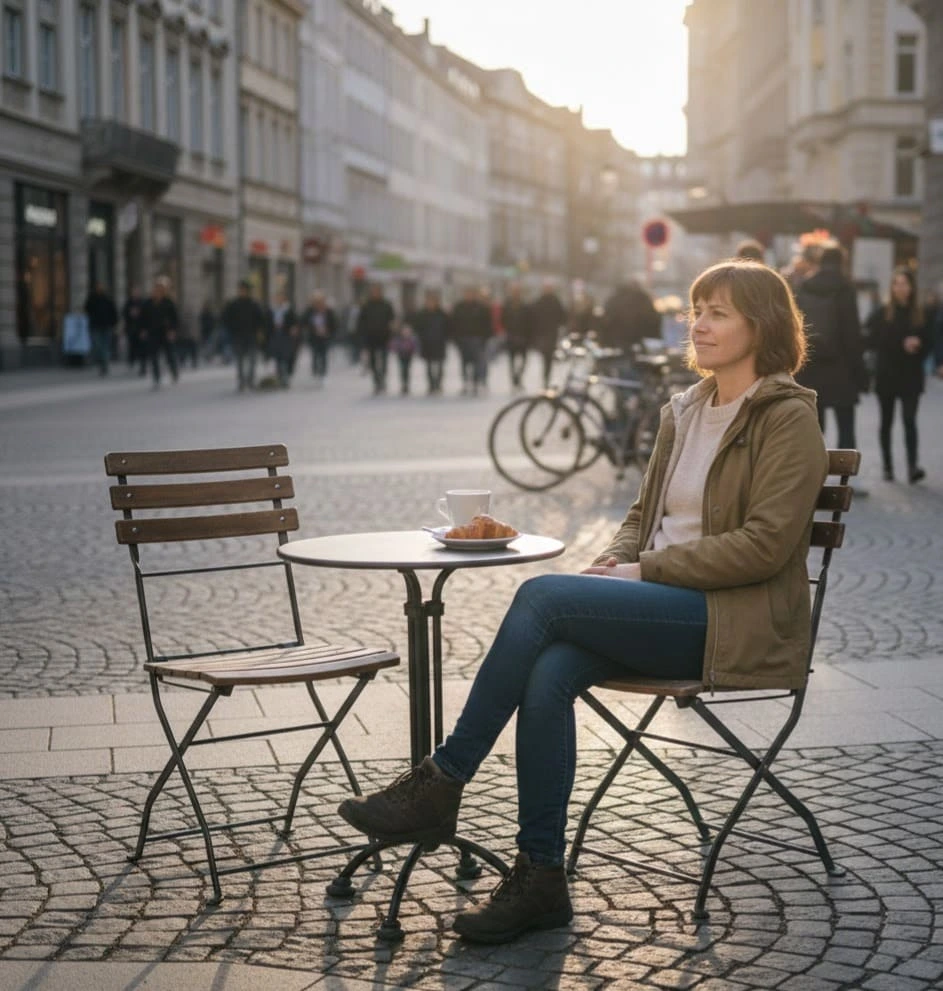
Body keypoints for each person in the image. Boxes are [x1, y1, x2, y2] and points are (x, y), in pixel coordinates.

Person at [337, 260, 826, 945]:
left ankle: (441, 780)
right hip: (658, 603)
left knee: (542, 598)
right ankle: (540, 876)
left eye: (718, 312)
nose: (699, 324)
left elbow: (764, 547)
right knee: (549, 672)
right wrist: (615, 561)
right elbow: (642, 515)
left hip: (727, 622)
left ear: (762, 325)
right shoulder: (686, 411)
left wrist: (642, 569)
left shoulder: (787, 420)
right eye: (696, 309)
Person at [794, 242, 870, 453]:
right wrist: (860, 374)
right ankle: (846, 470)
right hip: (842, 369)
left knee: (815, 431)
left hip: (810, 368)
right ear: (842, 262)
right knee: (846, 428)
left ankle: (814, 470)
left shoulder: (803, 286)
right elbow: (852, 333)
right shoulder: (846, 288)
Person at [866, 267, 933, 483]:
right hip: (887, 374)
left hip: (911, 375)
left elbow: (930, 341)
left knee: (909, 420)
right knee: (886, 421)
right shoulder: (882, 313)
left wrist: (919, 344)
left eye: (905, 283)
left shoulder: (921, 314)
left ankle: (912, 467)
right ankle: (887, 467)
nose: (900, 288)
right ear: (892, 287)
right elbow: (871, 338)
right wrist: (901, 343)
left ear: (912, 287)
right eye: (897, 283)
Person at [222, 279, 266, 392]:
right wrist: (232, 330)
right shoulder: (234, 305)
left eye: (244, 290)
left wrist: (259, 331)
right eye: (241, 290)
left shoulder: (253, 304)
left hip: (251, 336)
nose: (242, 292)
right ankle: (241, 381)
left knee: (252, 360)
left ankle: (250, 380)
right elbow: (226, 319)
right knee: (240, 360)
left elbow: (260, 319)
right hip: (238, 336)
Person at [600, 280, 661, 357]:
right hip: (637, 339)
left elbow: (606, 319)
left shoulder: (613, 299)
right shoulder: (642, 298)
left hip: (617, 340)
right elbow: (652, 318)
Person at [451, 286, 492, 395]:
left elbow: (487, 324)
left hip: (477, 339)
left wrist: (485, 338)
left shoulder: (481, 308)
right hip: (462, 339)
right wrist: (456, 338)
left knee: (476, 362)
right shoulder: (459, 307)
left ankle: (475, 382)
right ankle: (465, 382)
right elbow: (453, 323)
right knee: (464, 362)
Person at [139, 277, 179, 388]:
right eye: (156, 289)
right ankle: (156, 377)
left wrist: (172, 330)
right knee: (154, 356)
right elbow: (142, 318)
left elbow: (174, 318)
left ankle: (174, 372)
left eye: (161, 289)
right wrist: (142, 330)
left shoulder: (168, 302)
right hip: (153, 333)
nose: (158, 291)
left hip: (166, 332)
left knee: (169, 354)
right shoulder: (147, 303)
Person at [409, 289, 450, 395]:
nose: (431, 304)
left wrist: (446, 337)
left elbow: (448, 327)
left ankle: (438, 384)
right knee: (428, 365)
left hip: (439, 342)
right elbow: (417, 327)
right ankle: (431, 385)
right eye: (429, 301)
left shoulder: (442, 314)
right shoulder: (422, 314)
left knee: (440, 364)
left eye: (433, 301)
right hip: (427, 342)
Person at [357, 284, 396, 394]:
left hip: (384, 337)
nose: (375, 294)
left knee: (384, 360)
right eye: (373, 292)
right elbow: (361, 321)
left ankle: (383, 379)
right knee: (373, 361)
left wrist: (392, 332)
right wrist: (362, 335)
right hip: (371, 337)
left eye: (377, 291)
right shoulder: (367, 305)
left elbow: (392, 319)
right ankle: (376, 381)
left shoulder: (386, 305)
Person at [530, 281, 568, 388]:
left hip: (551, 334)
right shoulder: (540, 301)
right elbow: (533, 317)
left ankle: (546, 376)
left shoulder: (555, 301)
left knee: (548, 357)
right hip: (542, 334)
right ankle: (545, 376)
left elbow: (562, 317)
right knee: (545, 356)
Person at [302, 291, 337, 385]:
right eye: (316, 301)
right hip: (314, 337)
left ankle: (323, 373)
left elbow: (334, 324)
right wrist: (312, 329)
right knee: (315, 355)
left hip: (325, 337)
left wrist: (328, 331)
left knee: (324, 356)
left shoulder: (328, 311)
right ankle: (315, 373)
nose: (319, 303)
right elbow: (304, 322)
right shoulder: (310, 311)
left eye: (320, 300)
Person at [83, 282, 118, 376]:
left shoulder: (108, 299)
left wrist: (114, 324)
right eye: (98, 287)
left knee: (105, 346)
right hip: (95, 326)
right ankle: (102, 362)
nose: (100, 289)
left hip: (106, 326)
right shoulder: (92, 298)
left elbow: (113, 312)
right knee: (98, 345)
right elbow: (86, 309)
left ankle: (104, 365)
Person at [502, 283, 531, 391]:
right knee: (512, 361)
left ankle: (518, 378)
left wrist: (528, 336)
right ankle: (514, 380)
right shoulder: (507, 305)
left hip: (523, 338)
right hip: (511, 337)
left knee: (524, 361)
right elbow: (503, 319)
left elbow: (529, 321)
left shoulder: (525, 306)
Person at [269, 291, 299, 387]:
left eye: (281, 298)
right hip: (276, 336)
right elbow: (268, 323)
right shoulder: (272, 310)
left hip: (286, 336)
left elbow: (295, 322)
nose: (279, 300)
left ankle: (285, 379)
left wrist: (293, 329)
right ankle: (280, 377)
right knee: (278, 359)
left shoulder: (288, 310)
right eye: (277, 298)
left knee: (285, 358)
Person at [122, 286, 146, 375]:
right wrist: (130, 313)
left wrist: (139, 313)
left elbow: (147, 315)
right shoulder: (129, 303)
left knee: (142, 348)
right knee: (132, 346)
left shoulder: (143, 302)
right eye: (134, 292)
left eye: (137, 292)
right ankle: (131, 359)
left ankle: (142, 366)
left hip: (141, 329)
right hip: (131, 329)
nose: (135, 294)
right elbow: (124, 314)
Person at [390, 322, 418, 395]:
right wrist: (395, 350)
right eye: (404, 331)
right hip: (401, 356)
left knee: (407, 370)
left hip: (408, 356)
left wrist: (415, 352)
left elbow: (415, 346)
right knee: (402, 370)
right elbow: (394, 346)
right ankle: (403, 384)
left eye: (407, 331)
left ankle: (406, 384)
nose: (406, 333)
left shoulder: (412, 338)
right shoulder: (398, 339)